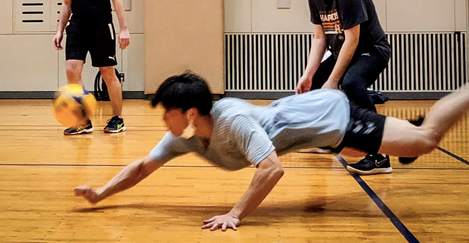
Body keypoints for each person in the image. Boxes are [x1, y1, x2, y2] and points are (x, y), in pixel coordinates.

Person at [74, 71, 469, 231]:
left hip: (334, 118)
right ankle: (401, 134)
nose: (163, 122)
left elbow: (271, 169)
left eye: (167, 114)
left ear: (191, 112)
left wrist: (235, 214)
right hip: (322, 134)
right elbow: (143, 166)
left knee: (428, 138)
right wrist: (101, 193)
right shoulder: (186, 136)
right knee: (356, 152)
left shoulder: (233, 121)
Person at [296, 0, 391, 175]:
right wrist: (308, 74)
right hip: (345, 50)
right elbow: (320, 38)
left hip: (372, 50)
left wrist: (334, 80)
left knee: (352, 83)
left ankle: (379, 156)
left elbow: (353, 39)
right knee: (316, 83)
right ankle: (325, 139)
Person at [53, 0, 130, 135]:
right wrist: (60, 30)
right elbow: (67, 2)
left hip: (100, 25)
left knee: (107, 72)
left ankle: (117, 118)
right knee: (71, 69)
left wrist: (124, 28)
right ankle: (83, 121)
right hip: (77, 26)